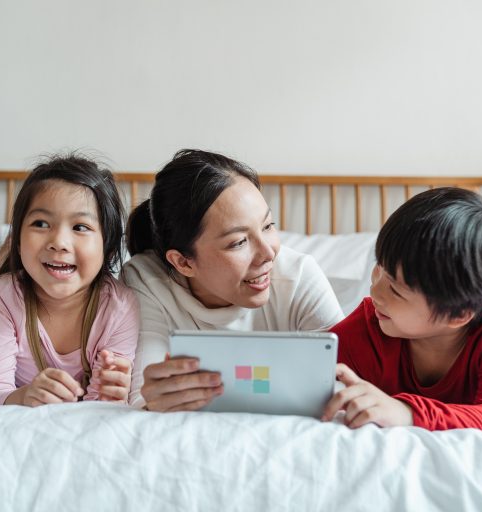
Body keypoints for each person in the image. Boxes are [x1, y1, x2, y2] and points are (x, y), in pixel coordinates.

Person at [117, 149, 344, 411]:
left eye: (268, 226)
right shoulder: (147, 281)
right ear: (183, 262)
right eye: (238, 242)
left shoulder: (299, 275)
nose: (269, 253)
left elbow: (349, 381)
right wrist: (153, 399)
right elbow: (142, 397)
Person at [321, 187, 482, 431]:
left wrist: (407, 411)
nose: (375, 292)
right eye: (379, 267)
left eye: (395, 290)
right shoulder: (370, 324)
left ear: (457, 315)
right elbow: (303, 365)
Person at [0, 154, 140, 408]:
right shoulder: (3, 295)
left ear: (109, 247)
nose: (59, 241)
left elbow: (98, 407)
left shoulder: (120, 307)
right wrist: (23, 397)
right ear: (19, 238)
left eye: (80, 227)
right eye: (41, 223)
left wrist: (111, 394)